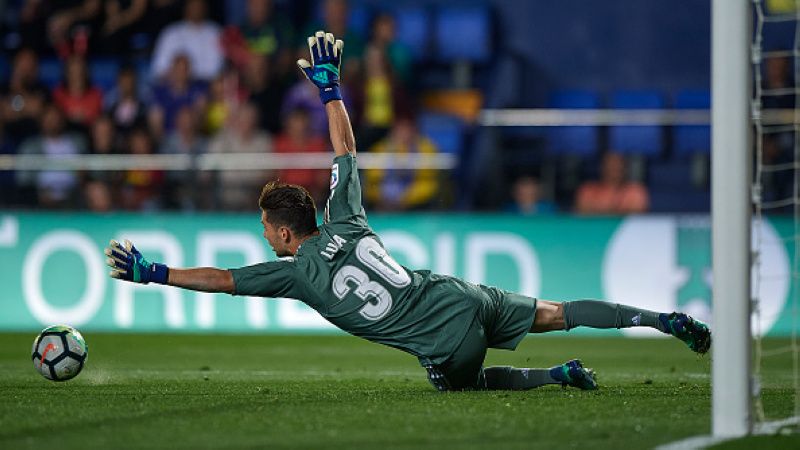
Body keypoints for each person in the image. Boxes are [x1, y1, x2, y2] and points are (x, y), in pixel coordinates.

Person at [105, 31, 711, 392]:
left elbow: (219, 280)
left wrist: (153, 274)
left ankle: (558, 377)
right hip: (457, 294)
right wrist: (330, 89)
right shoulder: (345, 217)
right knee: (556, 310)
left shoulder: (294, 273)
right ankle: (661, 319)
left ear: (285, 232)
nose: (263, 234)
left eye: (265, 227)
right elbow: (344, 147)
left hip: (445, 341)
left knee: (458, 384)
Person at [575, 152, 649, 215]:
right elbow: (582, 213)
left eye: (617, 165)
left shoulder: (636, 191)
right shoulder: (587, 190)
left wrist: (600, 208)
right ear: (602, 167)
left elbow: (637, 213)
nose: (613, 169)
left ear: (624, 168)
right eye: (609, 165)